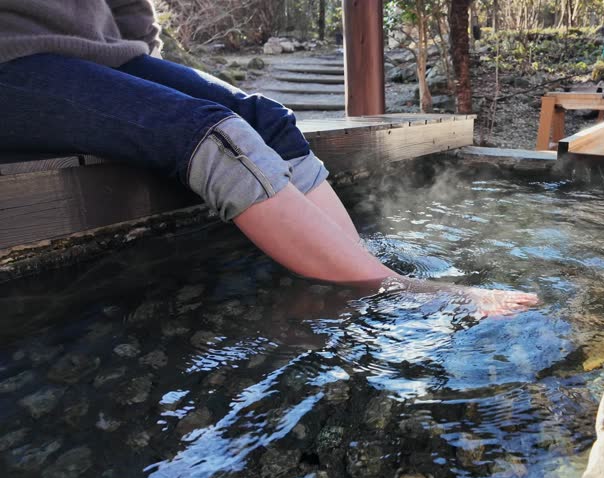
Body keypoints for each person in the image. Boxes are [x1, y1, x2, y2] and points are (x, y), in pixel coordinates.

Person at [0, 0, 538, 315]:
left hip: (103, 56)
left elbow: (128, 10)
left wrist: (145, 75)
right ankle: (395, 291)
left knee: (265, 118)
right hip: (13, 60)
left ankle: (350, 260)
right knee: (210, 134)